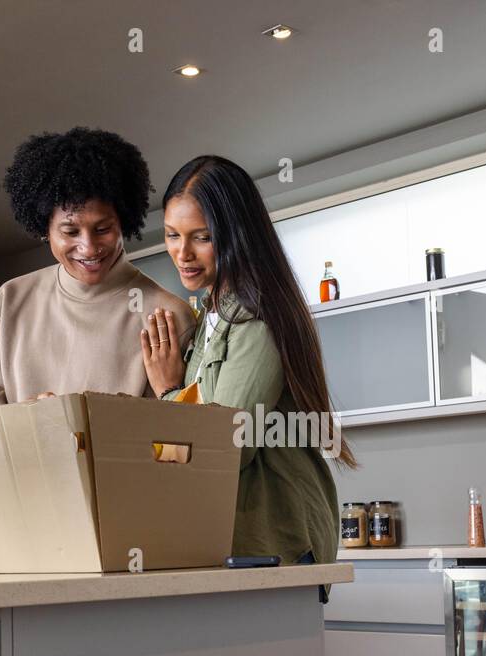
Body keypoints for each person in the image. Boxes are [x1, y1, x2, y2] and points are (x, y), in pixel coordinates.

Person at [139, 155, 356, 568]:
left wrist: (168, 391)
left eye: (201, 237)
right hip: (237, 543)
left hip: (277, 543)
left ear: (236, 234)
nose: (182, 253)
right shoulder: (210, 316)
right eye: (171, 235)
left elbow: (228, 450)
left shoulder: (257, 319)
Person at [0, 128, 194, 408]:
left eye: (103, 229)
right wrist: (26, 421)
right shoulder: (10, 301)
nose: (88, 247)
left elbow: (178, 437)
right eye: (70, 231)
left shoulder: (170, 316)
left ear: (124, 221)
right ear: (44, 229)